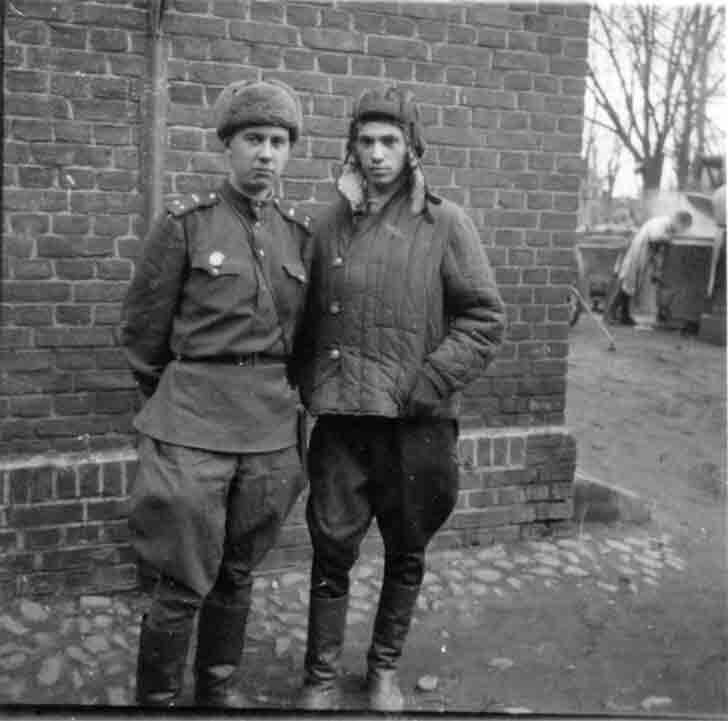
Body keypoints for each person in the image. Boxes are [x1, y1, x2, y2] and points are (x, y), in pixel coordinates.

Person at [290, 85, 505, 712]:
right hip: (342, 421)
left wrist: (430, 382)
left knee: (407, 549)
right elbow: (300, 320)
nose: (377, 153)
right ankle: (320, 676)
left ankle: (383, 669)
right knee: (331, 548)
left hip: (415, 423)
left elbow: (484, 319)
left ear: (413, 149)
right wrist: (308, 385)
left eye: (390, 141)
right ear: (352, 149)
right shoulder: (326, 224)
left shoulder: (445, 224)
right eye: (366, 141)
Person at [121, 78, 312, 708]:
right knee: (181, 578)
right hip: (191, 426)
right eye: (253, 139)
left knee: (237, 572)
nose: (266, 153)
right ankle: (157, 699)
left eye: (278, 142)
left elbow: (304, 337)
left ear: (289, 152)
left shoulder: (299, 235)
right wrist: (179, 398)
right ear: (228, 145)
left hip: (269, 432)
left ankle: (215, 690)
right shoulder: (186, 225)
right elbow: (142, 335)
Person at [605, 210, 692, 325]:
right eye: (683, 227)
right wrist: (670, 239)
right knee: (626, 285)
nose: (681, 231)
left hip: (643, 255)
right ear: (679, 221)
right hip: (637, 253)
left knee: (630, 287)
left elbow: (657, 248)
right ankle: (610, 314)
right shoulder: (661, 223)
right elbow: (655, 237)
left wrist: (656, 268)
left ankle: (624, 315)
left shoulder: (667, 227)